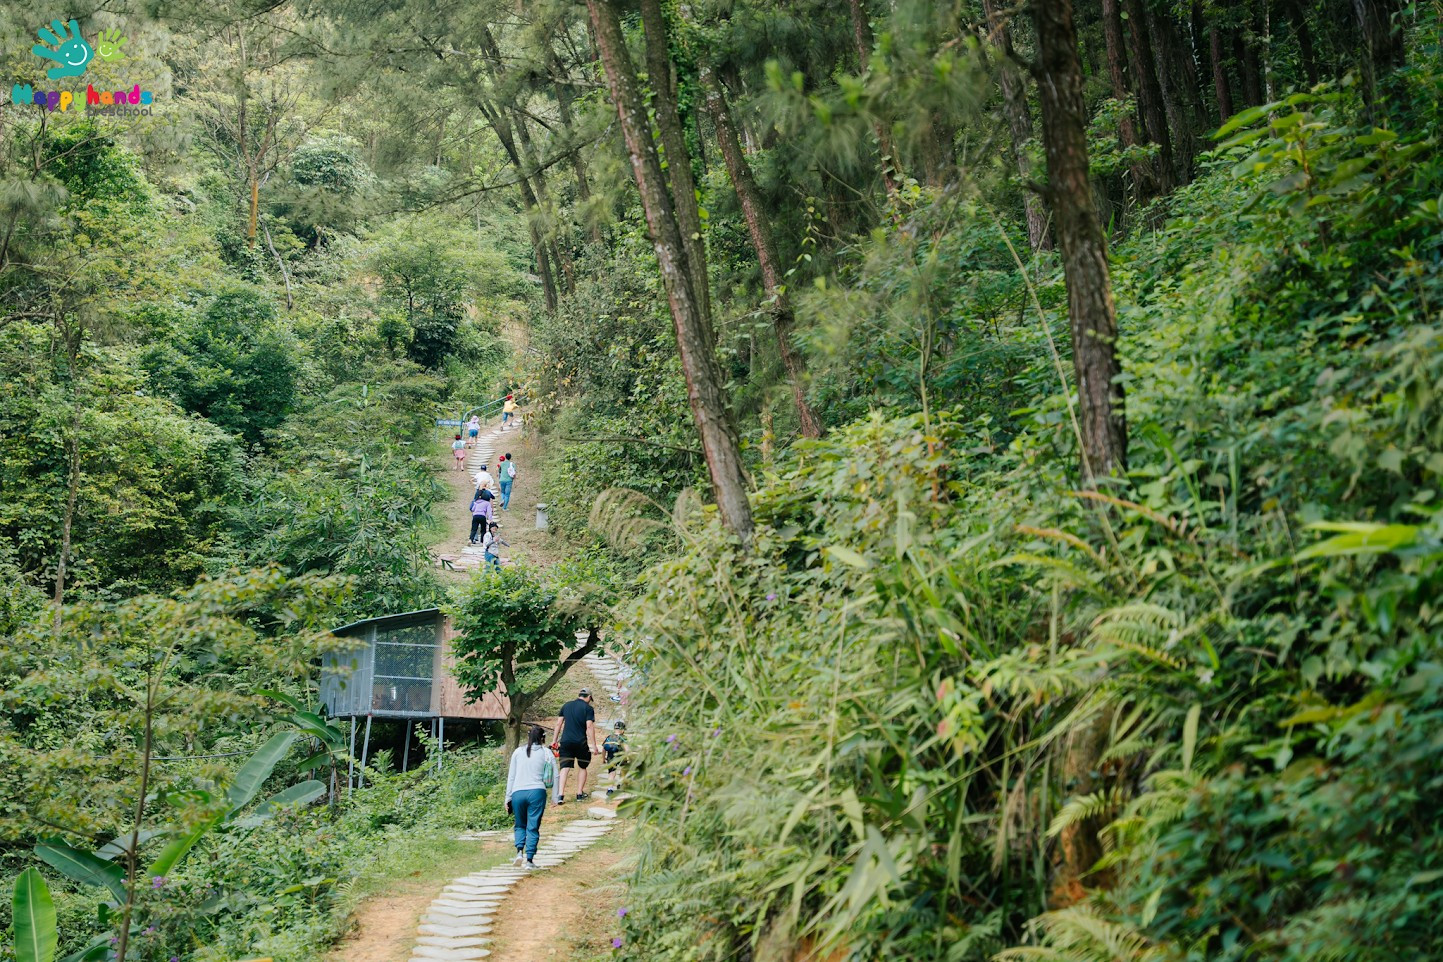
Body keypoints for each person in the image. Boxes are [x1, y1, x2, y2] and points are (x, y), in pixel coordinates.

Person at [505, 724, 554, 870]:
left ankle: (519, 852)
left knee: (520, 824)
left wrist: (507, 798)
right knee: (533, 826)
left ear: (528, 737)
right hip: (537, 792)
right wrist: (556, 797)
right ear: (543, 738)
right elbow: (555, 775)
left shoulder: (518, 752)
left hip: (518, 792)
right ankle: (530, 860)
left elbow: (511, 776)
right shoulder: (546, 753)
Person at [553, 688, 599, 804]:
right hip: (580, 742)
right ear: (589, 697)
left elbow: (558, 723)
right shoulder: (588, 708)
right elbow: (589, 726)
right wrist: (594, 745)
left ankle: (560, 795)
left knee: (564, 768)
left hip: (566, 741)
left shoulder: (566, 705)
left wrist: (554, 741)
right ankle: (579, 794)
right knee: (582, 767)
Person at [602, 720, 627, 798]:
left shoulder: (609, 737)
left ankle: (610, 789)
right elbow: (627, 749)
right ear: (622, 730)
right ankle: (621, 784)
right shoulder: (623, 737)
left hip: (610, 757)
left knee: (611, 773)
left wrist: (603, 759)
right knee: (623, 769)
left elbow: (603, 749)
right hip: (621, 756)